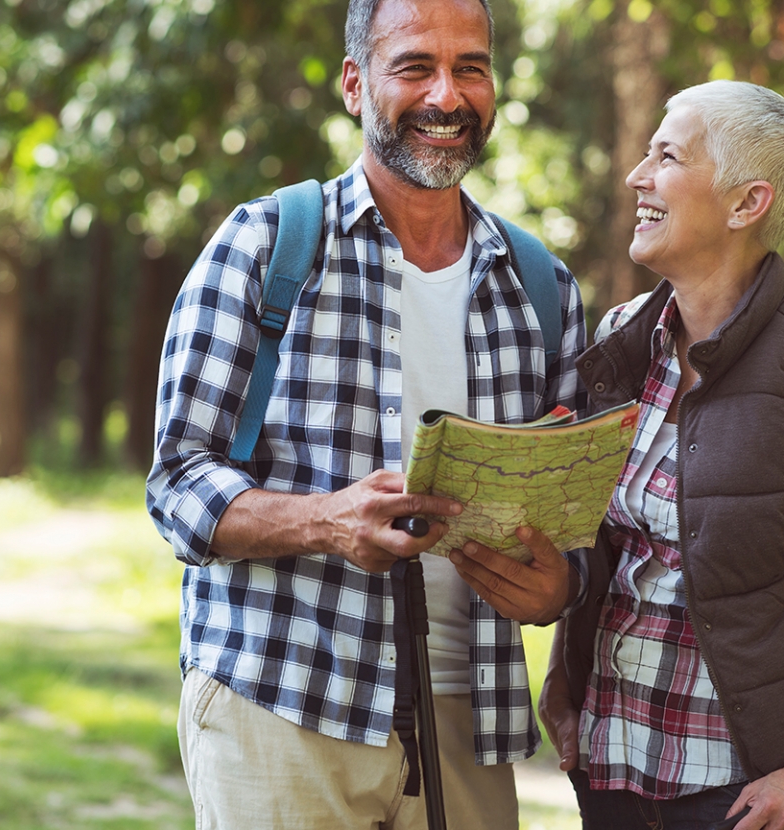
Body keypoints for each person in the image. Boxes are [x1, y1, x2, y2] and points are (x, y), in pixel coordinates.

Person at [456, 80, 784, 830]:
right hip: (612, 777)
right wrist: (565, 683)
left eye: (667, 156)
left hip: (750, 801)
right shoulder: (626, 339)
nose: (638, 175)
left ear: (745, 203)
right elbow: (602, 538)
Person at [144, 0, 589, 826]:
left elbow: (577, 517)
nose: (446, 96)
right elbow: (176, 485)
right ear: (355, 84)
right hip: (283, 701)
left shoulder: (542, 287)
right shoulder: (264, 245)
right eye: (415, 67)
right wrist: (325, 522)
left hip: (468, 716)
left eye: (471, 68)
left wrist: (560, 586)